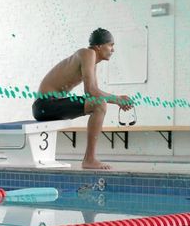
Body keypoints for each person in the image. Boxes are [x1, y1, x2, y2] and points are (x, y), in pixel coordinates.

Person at [32, 28, 134, 169]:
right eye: (111, 45)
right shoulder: (87, 53)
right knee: (100, 105)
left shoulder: (92, 61)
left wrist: (118, 100)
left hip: (50, 106)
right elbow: (90, 91)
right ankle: (89, 159)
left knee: (99, 104)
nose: (113, 50)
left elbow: (94, 92)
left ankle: (89, 158)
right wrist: (117, 99)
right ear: (99, 46)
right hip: (45, 105)